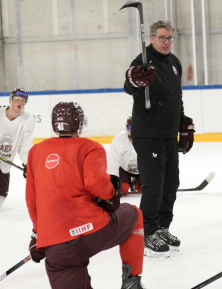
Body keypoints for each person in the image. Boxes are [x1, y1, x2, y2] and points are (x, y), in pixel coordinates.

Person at [26, 102, 146, 289]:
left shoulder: (36, 151)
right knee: (134, 215)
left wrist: (38, 235)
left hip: (56, 247)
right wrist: (112, 192)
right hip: (89, 232)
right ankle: (132, 283)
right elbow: (96, 183)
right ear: (79, 123)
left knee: (63, 264)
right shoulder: (90, 147)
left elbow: (32, 199)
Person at [123, 20, 194, 257]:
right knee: (154, 185)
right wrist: (135, 80)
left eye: (170, 38)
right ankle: (148, 231)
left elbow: (177, 97)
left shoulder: (174, 63)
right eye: (162, 38)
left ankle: (162, 227)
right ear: (152, 38)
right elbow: (129, 85)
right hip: (149, 134)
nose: (166, 42)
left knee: (170, 184)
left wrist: (182, 123)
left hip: (168, 134)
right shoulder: (142, 61)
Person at [107, 117, 141, 194]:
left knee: (142, 188)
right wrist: (113, 182)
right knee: (123, 188)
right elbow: (113, 162)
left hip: (142, 169)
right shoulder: (119, 139)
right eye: (130, 127)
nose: (132, 131)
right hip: (124, 169)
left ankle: (136, 183)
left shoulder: (147, 140)